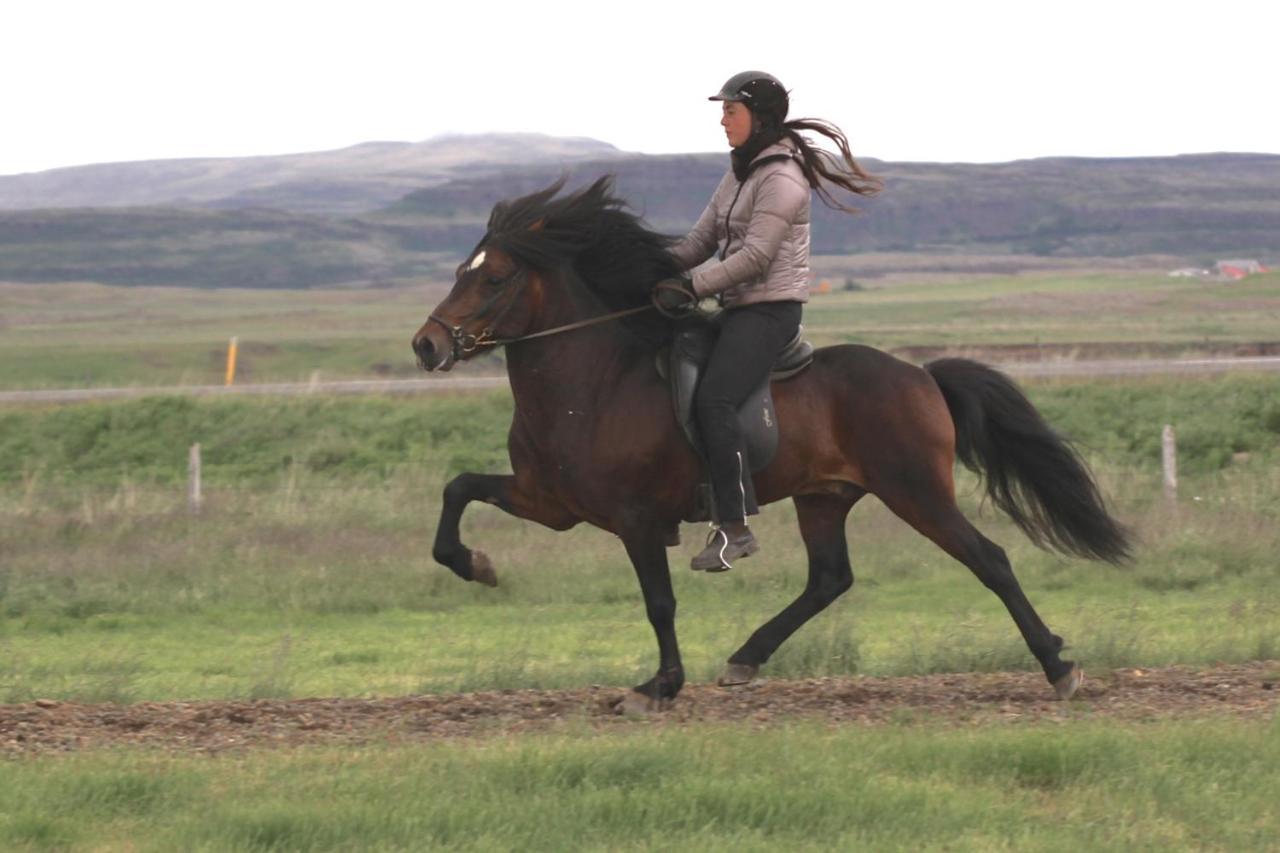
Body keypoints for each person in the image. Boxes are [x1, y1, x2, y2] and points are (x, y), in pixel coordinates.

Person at [654, 70, 881, 572]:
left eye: (731, 110)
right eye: (723, 110)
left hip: (770, 311)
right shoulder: (739, 172)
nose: (722, 119)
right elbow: (699, 242)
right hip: (736, 305)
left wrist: (691, 287)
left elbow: (756, 257)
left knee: (715, 399)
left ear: (759, 118)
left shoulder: (781, 179)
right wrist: (650, 268)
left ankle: (733, 527)